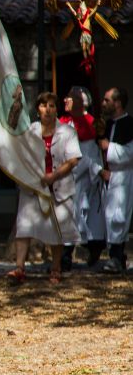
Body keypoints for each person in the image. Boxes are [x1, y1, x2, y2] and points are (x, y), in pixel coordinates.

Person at [9, 92, 81, 284]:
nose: (48, 110)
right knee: (24, 227)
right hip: (34, 186)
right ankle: (19, 269)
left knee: (57, 231)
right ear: (38, 109)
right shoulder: (31, 130)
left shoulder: (67, 131)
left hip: (58, 186)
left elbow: (73, 159)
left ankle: (56, 269)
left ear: (56, 109)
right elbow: (15, 141)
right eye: (43, 106)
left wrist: (54, 176)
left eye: (51, 106)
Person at [58, 86, 104, 269]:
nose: (65, 100)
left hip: (82, 181)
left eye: (69, 98)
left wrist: (68, 169)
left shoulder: (91, 124)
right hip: (64, 179)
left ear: (80, 102)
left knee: (81, 218)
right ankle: (65, 255)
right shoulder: (62, 122)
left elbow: (87, 156)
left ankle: (82, 251)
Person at [93, 87, 133, 273]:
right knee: (107, 217)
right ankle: (114, 256)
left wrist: (110, 147)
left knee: (119, 217)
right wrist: (100, 170)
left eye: (107, 100)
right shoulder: (106, 126)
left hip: (123, 176)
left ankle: (117, 257)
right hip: (106, 177)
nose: (103, 103)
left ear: (117, 103)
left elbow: (130, 153)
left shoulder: (130, 124)